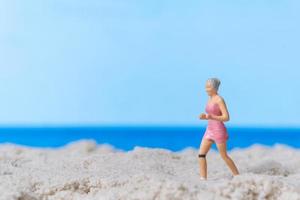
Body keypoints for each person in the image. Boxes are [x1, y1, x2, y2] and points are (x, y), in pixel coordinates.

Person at [198, 78, 239, 180]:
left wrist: (211, 117)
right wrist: (205, 117)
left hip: (218, 130)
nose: (206, 89)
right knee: (201, 155)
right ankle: (203, 178)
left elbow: (226, 117)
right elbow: (210, 114)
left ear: (215, 88)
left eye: (208, 87)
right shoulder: (209, 99)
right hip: (209, 130)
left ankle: (237, 176)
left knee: (224, 156)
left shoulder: (220, 100)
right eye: (205, 87)